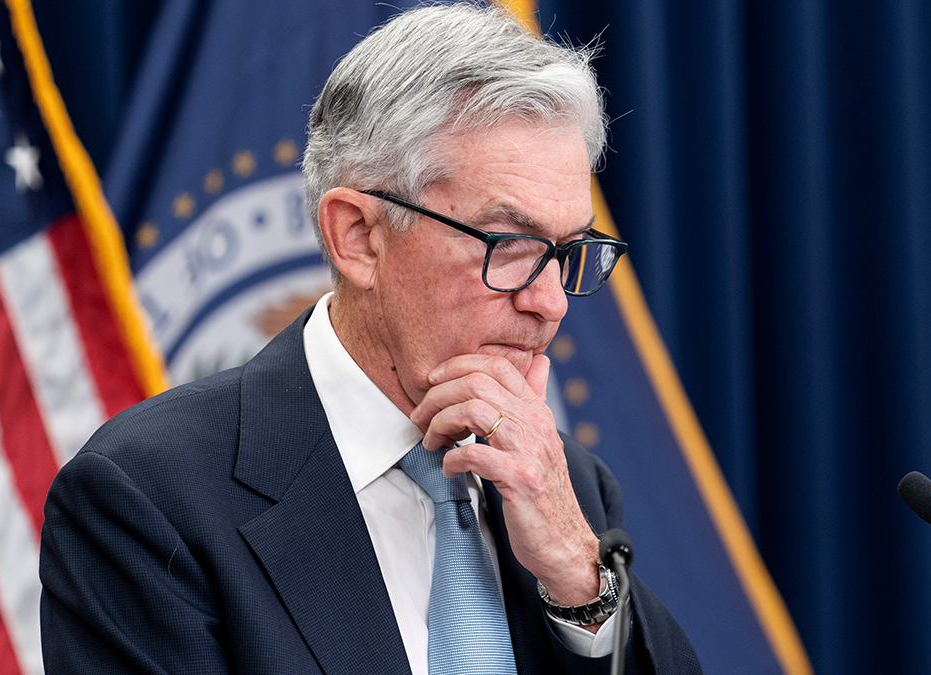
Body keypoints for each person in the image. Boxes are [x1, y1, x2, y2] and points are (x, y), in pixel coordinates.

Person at [40, 4, 702, 674]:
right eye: (509, 244)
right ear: (358, 237)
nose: (551, 302)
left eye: (569, 250)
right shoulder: (147, 500)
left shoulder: (565, 484)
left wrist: (581, 581)